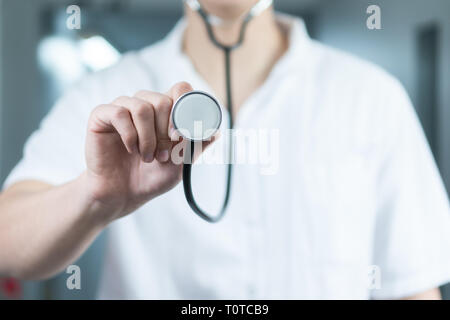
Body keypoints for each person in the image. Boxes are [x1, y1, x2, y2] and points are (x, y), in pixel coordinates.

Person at [1, 0, 450, 300]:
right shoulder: (102, 94)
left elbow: (411, 283)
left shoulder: (372, 96)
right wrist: (94, 197)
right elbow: (8, 242)